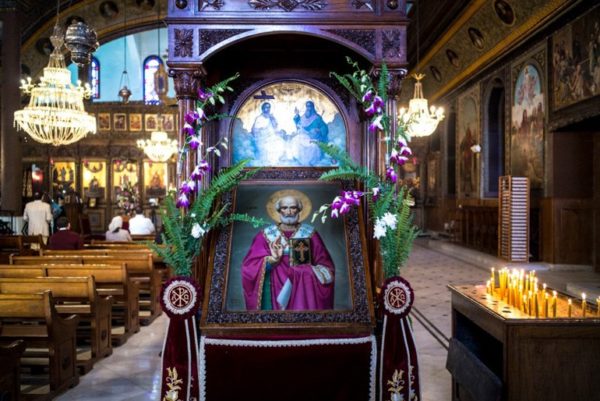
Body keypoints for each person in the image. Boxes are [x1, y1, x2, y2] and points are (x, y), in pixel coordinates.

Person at [241, 193, 334, 311]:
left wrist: (306, 271)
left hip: (302, 290)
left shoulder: (311, 234)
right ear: (279, 211)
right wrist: (272, 260)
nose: (289, 212)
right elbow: (248, 268)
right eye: (284, 208)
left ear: (299, 210)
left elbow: (327, 267)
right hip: (274, 290)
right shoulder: (264, 236)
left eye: (293, 207)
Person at [291, 100, 329, 165]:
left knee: (313, 146)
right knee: (295, 141)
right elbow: (299, 124)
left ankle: (310, 163)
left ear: (312, 107)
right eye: (307, 106)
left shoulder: (317, 118)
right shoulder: (304, 117)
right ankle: (299, 159)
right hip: (305, 137)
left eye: (310, 106)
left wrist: (319, 130)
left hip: (314, 138)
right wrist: (297, 115)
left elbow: (324, 127)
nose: (308, 108)